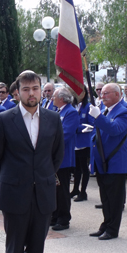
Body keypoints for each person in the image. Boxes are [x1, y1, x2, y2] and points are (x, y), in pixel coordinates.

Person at [0, 70, 64, 253]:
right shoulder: (4, 119)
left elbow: (57, 156)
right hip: (14, 195)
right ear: (17, 92)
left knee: (36, 251)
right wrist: (11, 182)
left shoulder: (53, 118)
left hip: (43, 194)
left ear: (41, 90)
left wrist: (43, 177)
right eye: (26, 89)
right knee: (14, 250)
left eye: (35, 88)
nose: (31, 93)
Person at [88, 83, 127, 240]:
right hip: (101, 160)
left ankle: (113, 229)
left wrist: (98, 117)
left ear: (117, 94)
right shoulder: (104, 109)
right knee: (105, 197)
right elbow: (97, 135)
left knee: (114, 200)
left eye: (106, 93)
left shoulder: (125, 110)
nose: (102, 96)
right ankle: (106, 225)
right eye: (101, 93)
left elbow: (115, 129)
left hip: (114, 162)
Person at [50, 87, 79, 231]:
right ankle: (54, 215)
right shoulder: (59, 111)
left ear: (61, 98)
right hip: (53, 157)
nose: (52, 99)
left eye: (54, 96)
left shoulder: (71, 112)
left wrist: (48, 143)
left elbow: (65, 135)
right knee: (54, 189)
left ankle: (64, 219)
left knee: (62, 190)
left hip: (63, 158)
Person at [72, 94, 95, 202]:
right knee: (76, 168)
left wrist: (77, 128)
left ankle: (83, 191)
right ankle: (75, 189)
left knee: (83, 167)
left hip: (84, 142)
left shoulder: (88, 106)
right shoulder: (73, 106)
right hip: (75, 142)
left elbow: (91, 125)